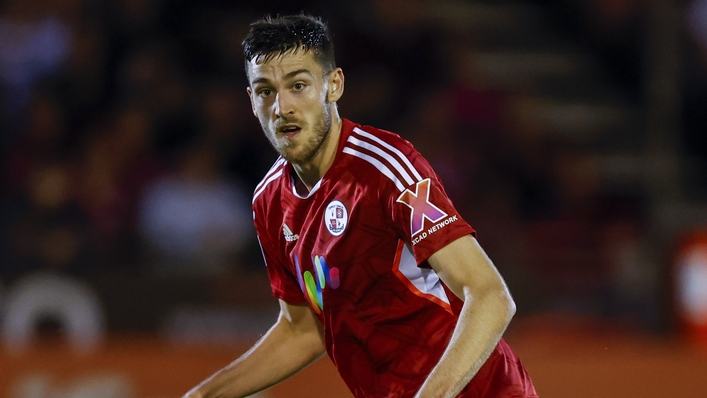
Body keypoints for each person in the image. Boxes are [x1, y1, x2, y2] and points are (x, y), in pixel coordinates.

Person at [183, 14, 537, 398]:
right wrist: (204, 395)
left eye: (298, 85)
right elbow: (303, 329)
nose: (281, 106)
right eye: (266, 90)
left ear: (333, 85)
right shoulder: (269, 201)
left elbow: (490, 297)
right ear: (252, 102)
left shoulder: (386, 167)